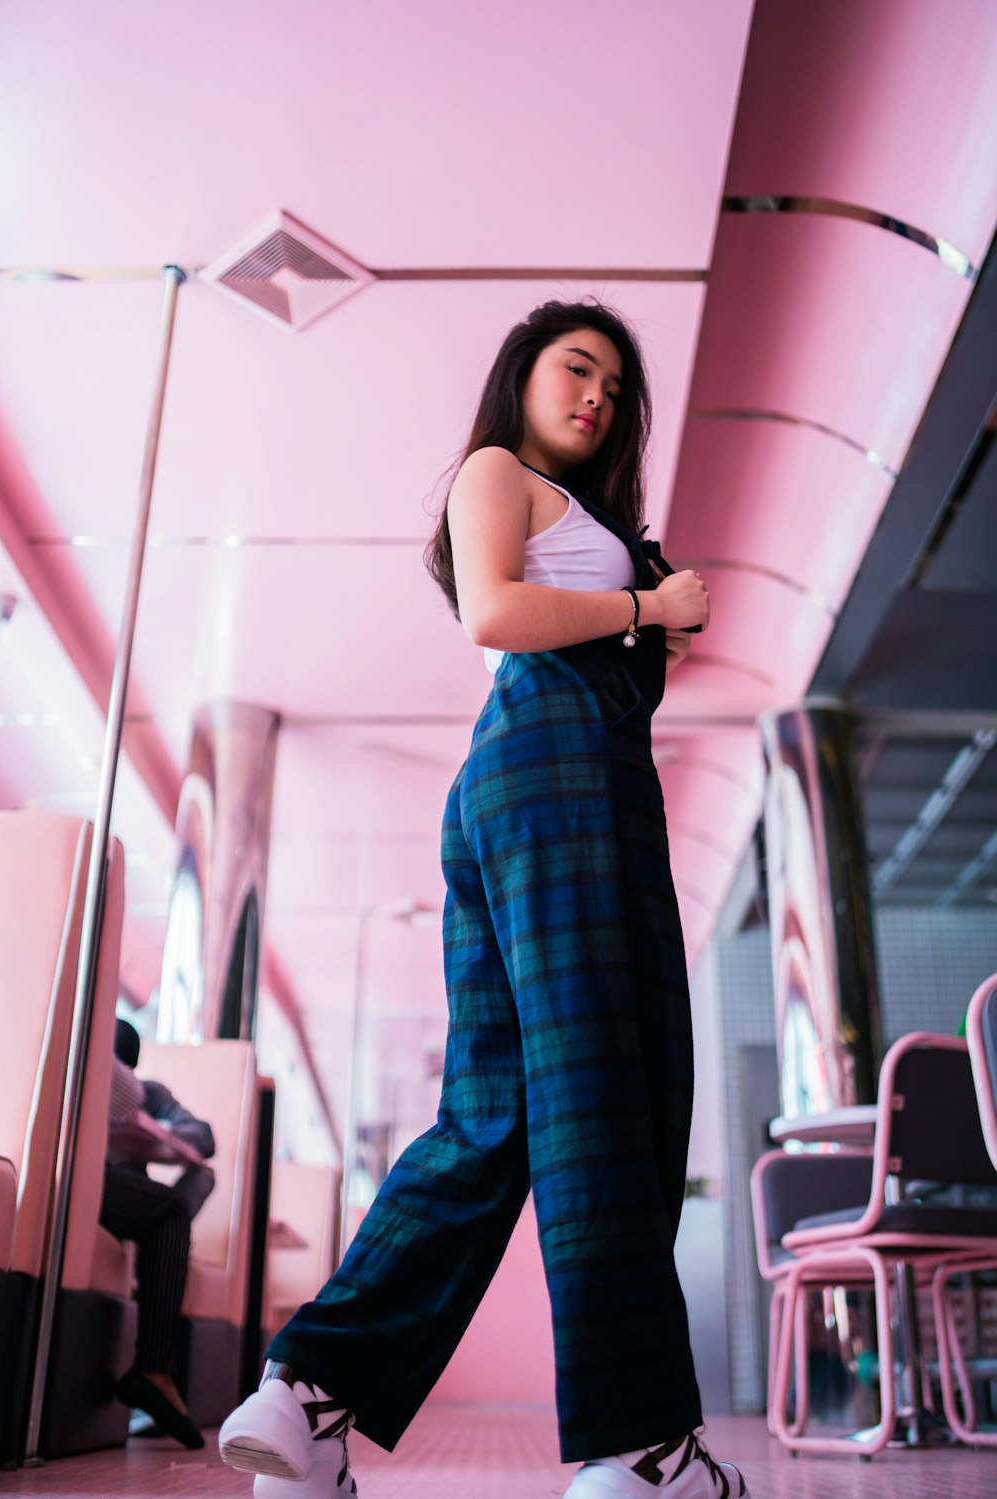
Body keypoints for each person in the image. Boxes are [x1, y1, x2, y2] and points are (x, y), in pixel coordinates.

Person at [219, 301, 750, 1498]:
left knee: (496, 1114)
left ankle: (306, 1401)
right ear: (521, 376)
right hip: (562, 782)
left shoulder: (593, 517)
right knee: (615, 1096)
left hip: (520, 787)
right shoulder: (495, 469)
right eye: (577, 367)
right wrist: (646, 609)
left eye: (616, 385)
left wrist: (649, 591)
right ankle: (641, 1448)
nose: (598, 395)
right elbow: (493, 611)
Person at [103, 1018, 215, 1449]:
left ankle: (163, 1244)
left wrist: (151, 1129)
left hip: (129, 1195)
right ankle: (153, 1369)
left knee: (198, 1181)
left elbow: (203, 1136)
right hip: (96, 1185)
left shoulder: (148, 1094)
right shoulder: (120, 1085)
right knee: (170, 1214)